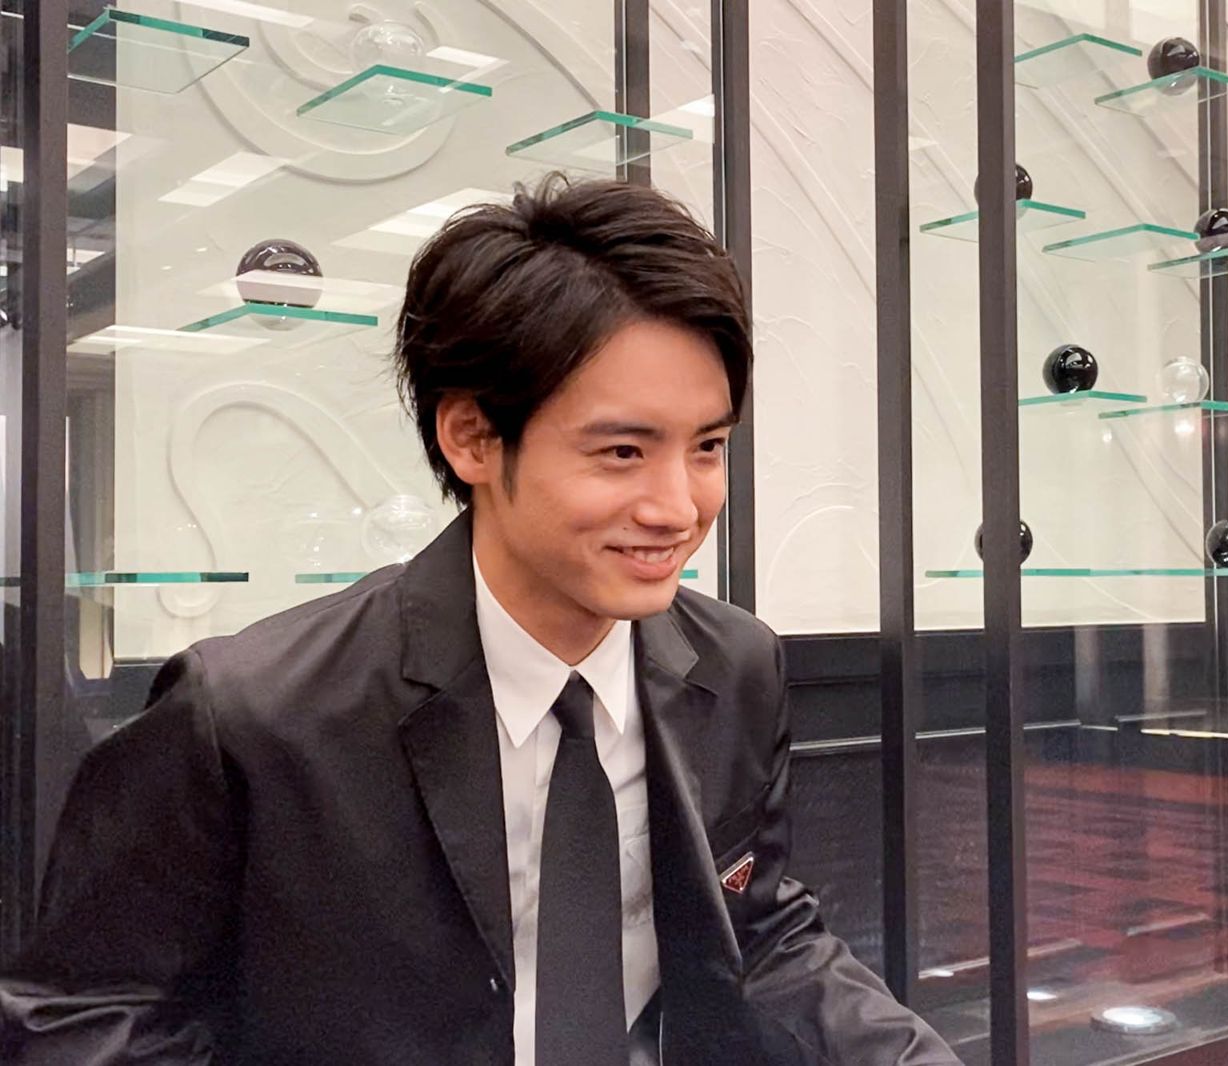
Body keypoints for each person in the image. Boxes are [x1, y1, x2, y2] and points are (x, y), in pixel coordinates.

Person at [0, 176, 958, 1065]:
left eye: (706, 447)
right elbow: (83, 1015)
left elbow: (758, 933)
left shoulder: (736, 664)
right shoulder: (253, 715)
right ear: (472, 437)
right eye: (622, 452)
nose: (679, 506)